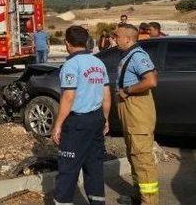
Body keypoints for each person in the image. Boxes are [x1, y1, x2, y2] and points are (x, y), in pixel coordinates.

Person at [51, 25, 111, 205]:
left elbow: (69, 96)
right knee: (94, 166)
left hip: (77, 123)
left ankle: (62, 201)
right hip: (96, 120)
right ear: (86, 42)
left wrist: (58, 124)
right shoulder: (98, 63)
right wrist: (106, 119)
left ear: (67, 43)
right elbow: (106, 94)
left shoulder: (71, 64)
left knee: (68, 168)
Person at [114, 23, 159, 205]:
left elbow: (151, 80)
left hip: (137, 110)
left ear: (127, 39)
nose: (113, 39)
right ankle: (139, 197)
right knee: (134, 155)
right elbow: (154, 71)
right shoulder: (130, 55)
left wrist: (128, 90)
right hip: (131, 110)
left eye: (116, 36)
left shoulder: (137, 55)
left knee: (142, 159)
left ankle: (149, 202)